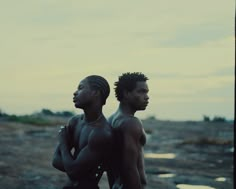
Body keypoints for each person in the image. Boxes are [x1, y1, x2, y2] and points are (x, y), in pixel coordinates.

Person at [52, 75, 113, 189]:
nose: (75, 93)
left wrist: (63, 142)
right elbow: (55, 161)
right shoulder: (75, 121)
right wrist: (74, 167)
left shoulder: (102, 132)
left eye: (80, 88)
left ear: (96, 92)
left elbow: (73, 172)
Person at [107, 72, 149, 189]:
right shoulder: (131, 123)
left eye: (146, 92)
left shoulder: (111, 119)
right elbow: (129, 167)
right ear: (126, 93)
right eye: (141, 91)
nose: (146, 96)